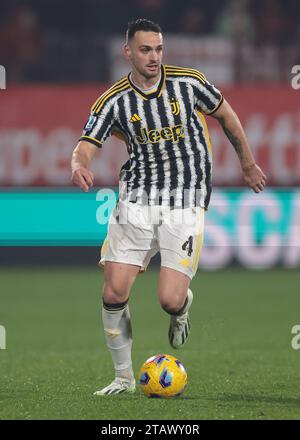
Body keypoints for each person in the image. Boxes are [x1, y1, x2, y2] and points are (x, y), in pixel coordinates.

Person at [71, 18, 266, 396]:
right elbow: (86, 144)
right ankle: (124, 377)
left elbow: (226, 114)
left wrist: (247, 162)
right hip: (137, 199)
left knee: (169, 299)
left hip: (185, 198)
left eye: (159, 49)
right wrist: (80, 166)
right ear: (128, 52)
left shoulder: (188, 82)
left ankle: (181, 308)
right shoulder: (113, 101)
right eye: (145, 50)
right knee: (113, 293)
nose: (154, 57)